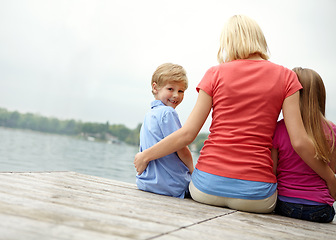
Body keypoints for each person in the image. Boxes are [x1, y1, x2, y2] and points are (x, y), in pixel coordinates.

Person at [134, 15, 336, 213]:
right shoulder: (287, 77)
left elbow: (188, 133)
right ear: (259, 39)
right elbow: (299, 142)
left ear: (228, 42)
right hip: (256, 196)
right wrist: (330, 177)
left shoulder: (214, 73)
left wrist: (145, 156)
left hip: (205, 188)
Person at [272, 67, 336, 222]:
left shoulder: (279, 129)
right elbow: (332, 169)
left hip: (284, 204)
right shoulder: (332, 131)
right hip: (320, 208)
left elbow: (272, 172)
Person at [136, 63, 193, 198]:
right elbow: (182, 148)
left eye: (181, 91)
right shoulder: (168, 113)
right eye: (170, 89)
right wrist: (193, 172)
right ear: (155, 87)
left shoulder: (149, 114)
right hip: (172, 185)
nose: (176, 95)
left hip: (147, 182)